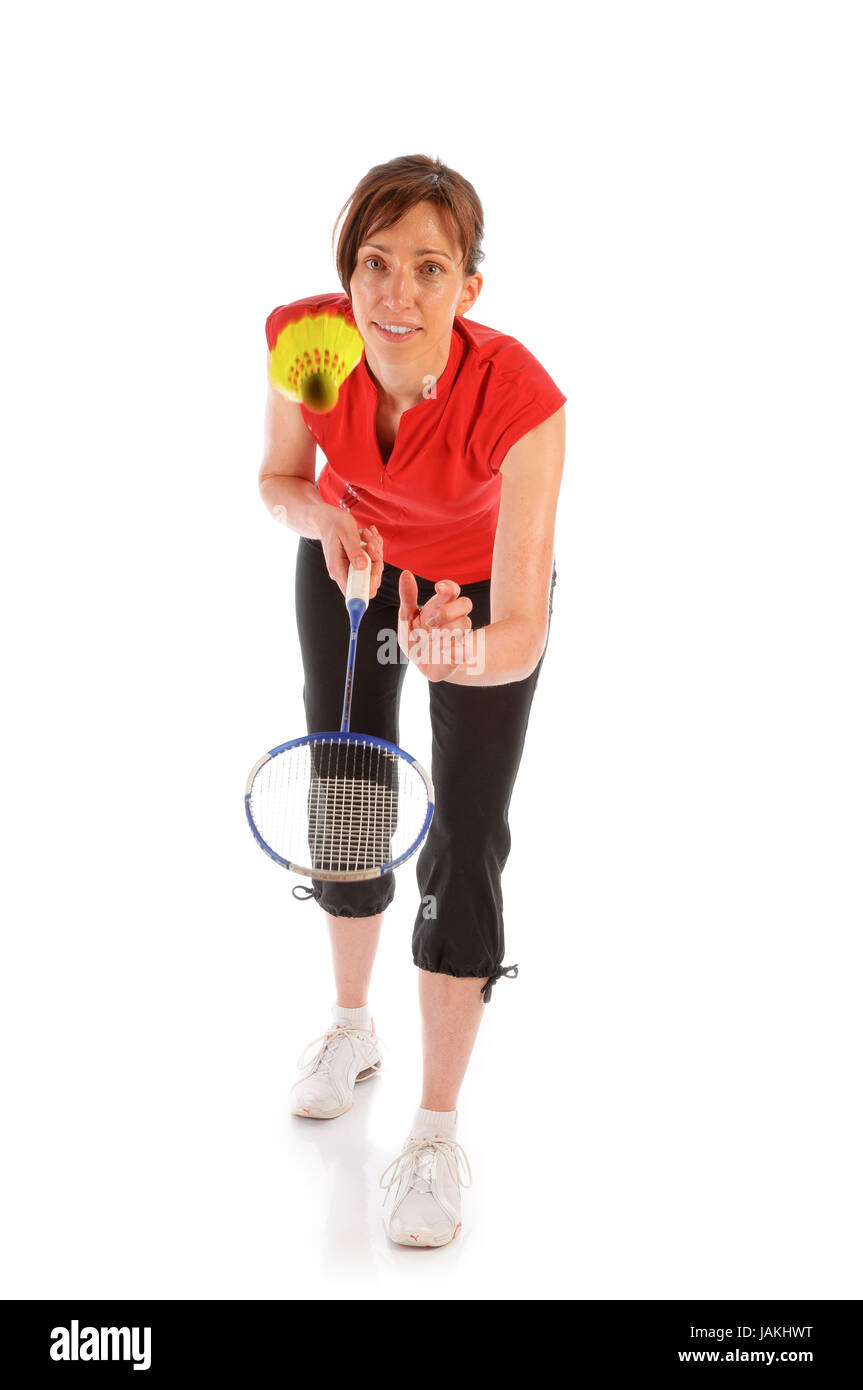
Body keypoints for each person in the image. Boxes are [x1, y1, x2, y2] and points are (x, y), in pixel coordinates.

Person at [259, 154, 566, 1247]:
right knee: (347, 782)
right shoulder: (310, 343)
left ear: (466, 288)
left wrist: (462, 651)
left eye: (428, 268)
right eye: (375, 263)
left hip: (473, 593)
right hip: (351, 561)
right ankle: (351, 1027)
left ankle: (433, 1130)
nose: (397, 293)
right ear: (346, 275)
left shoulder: (520, 399)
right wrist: (325, 525)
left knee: (467, 833)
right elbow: (279, 479)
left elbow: (521, 626)